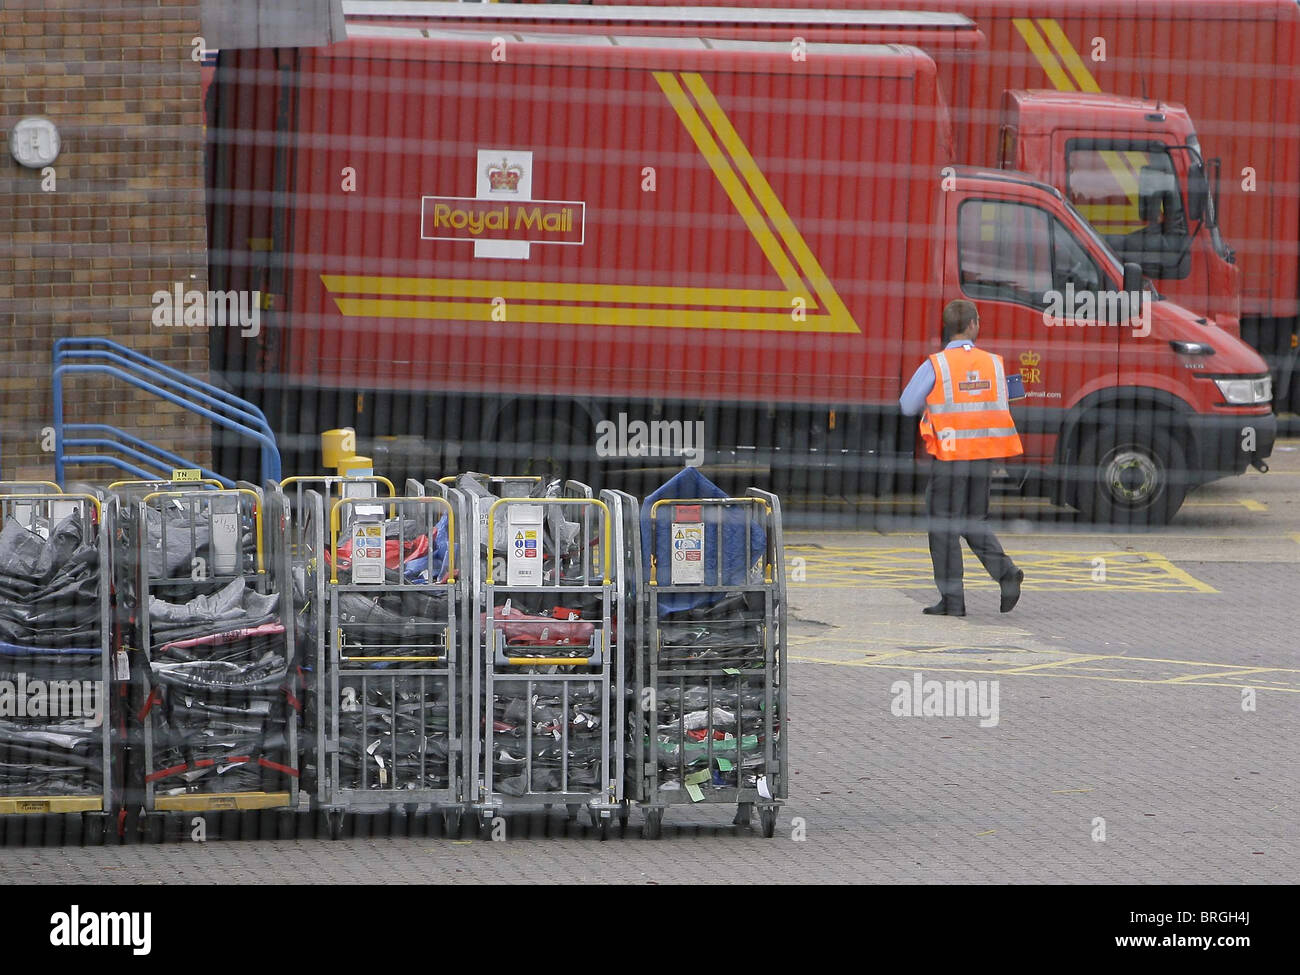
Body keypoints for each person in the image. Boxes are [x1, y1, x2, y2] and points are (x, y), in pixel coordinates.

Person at [899, 299, 1025, 617]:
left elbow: (907, 405)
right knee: (973, 521)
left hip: (951, 456)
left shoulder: (937, 365)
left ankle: (953, 601)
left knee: (943, 527)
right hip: (983, 456)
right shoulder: (994, 363)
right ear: (973, 324)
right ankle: (1006, 573)